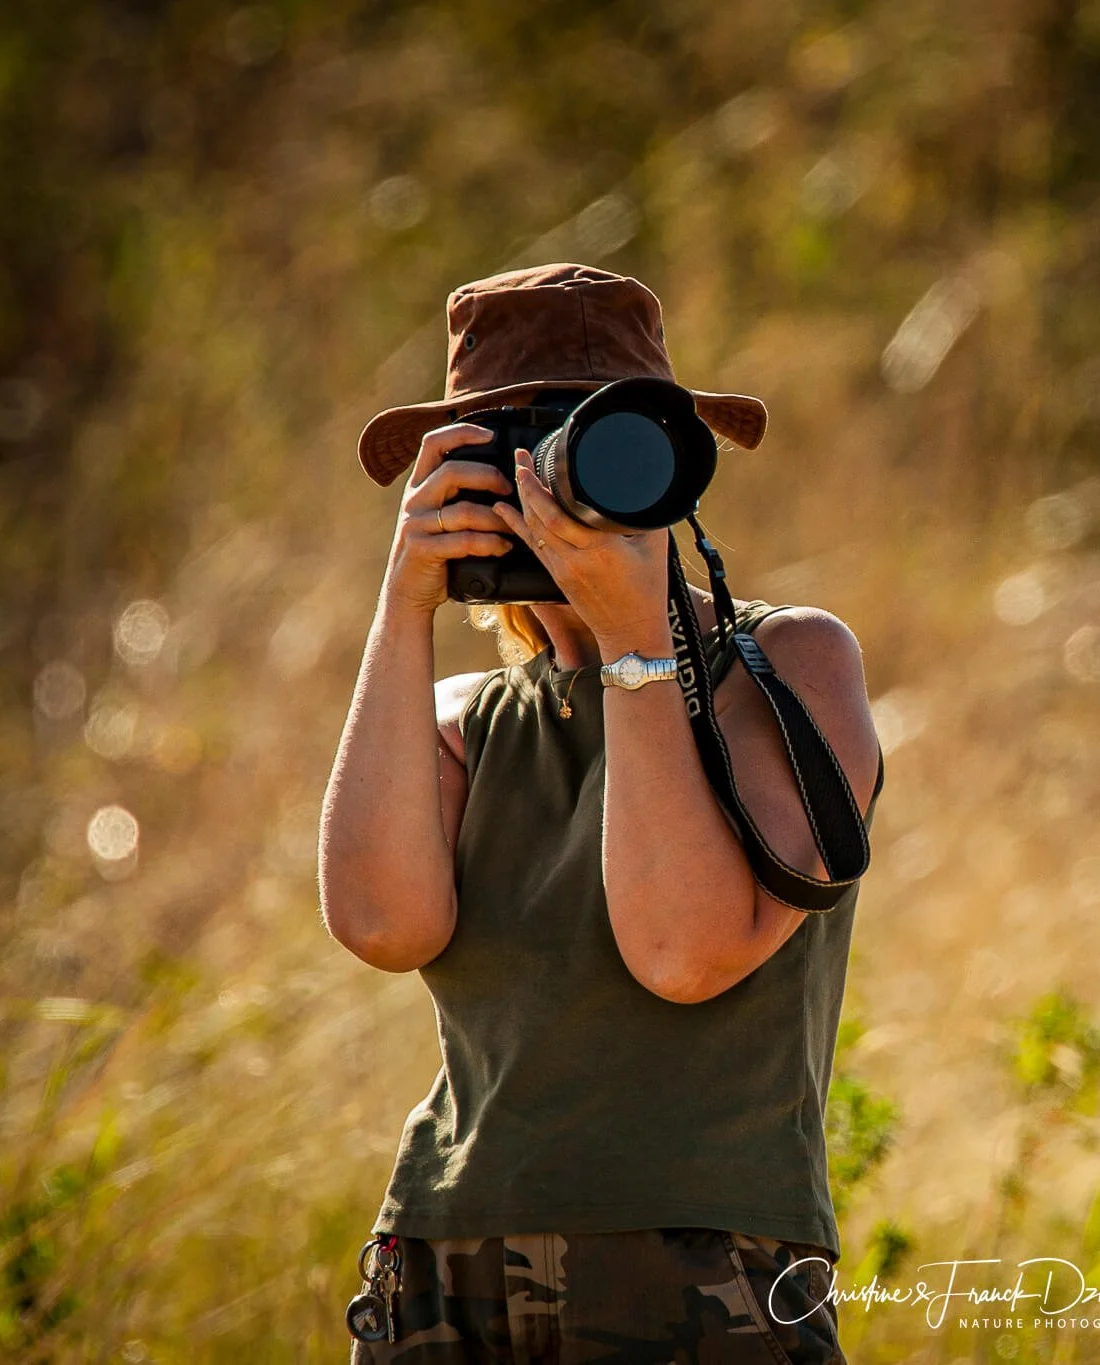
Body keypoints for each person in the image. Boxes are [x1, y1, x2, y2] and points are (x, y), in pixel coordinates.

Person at [318, 263, 883, 1363]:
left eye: (589, 446)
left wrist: (636, 644)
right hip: (445, 1263)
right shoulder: (457, 720)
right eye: (505, 456)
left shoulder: (785, 664)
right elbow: (384, 927)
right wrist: (402, 608)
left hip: (702, 1265)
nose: (548, 491)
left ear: (667, 466)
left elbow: (683, 949)